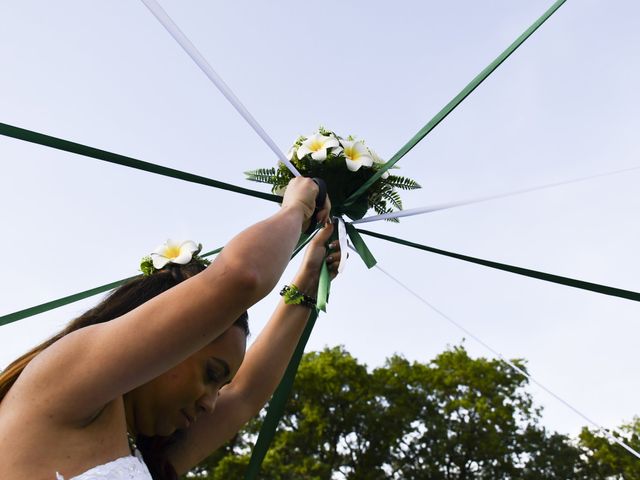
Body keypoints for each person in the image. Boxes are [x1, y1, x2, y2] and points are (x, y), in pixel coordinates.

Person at [0, 177, 340, 480]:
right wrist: (297, 206)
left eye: (218, 386)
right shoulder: (64, 383)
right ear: (169, 335)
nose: (211, 403)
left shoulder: (150, 455)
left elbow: (245, 396)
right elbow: (242, 277)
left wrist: (309, 283)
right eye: (210, 374)